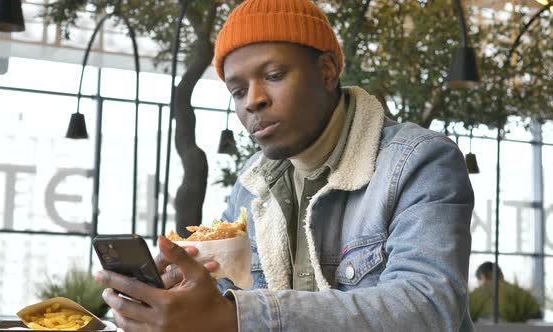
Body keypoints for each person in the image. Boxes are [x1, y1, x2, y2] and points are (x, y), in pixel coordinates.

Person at [94, 0, 475, 330]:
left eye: (273, 76)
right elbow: (228, 295)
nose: (252, 101)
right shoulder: (251, 187)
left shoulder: (420, 160)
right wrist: (180, 297)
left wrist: (236, 318)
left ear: (326, 72)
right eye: (237, 91)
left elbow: (428, 308)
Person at [469, 262, 542, 322]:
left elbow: (464, 315)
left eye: (479, 281)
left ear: (482, 276)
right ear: (500, 274)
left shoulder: (476, 295)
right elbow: (537, 314)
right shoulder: (517, 291)